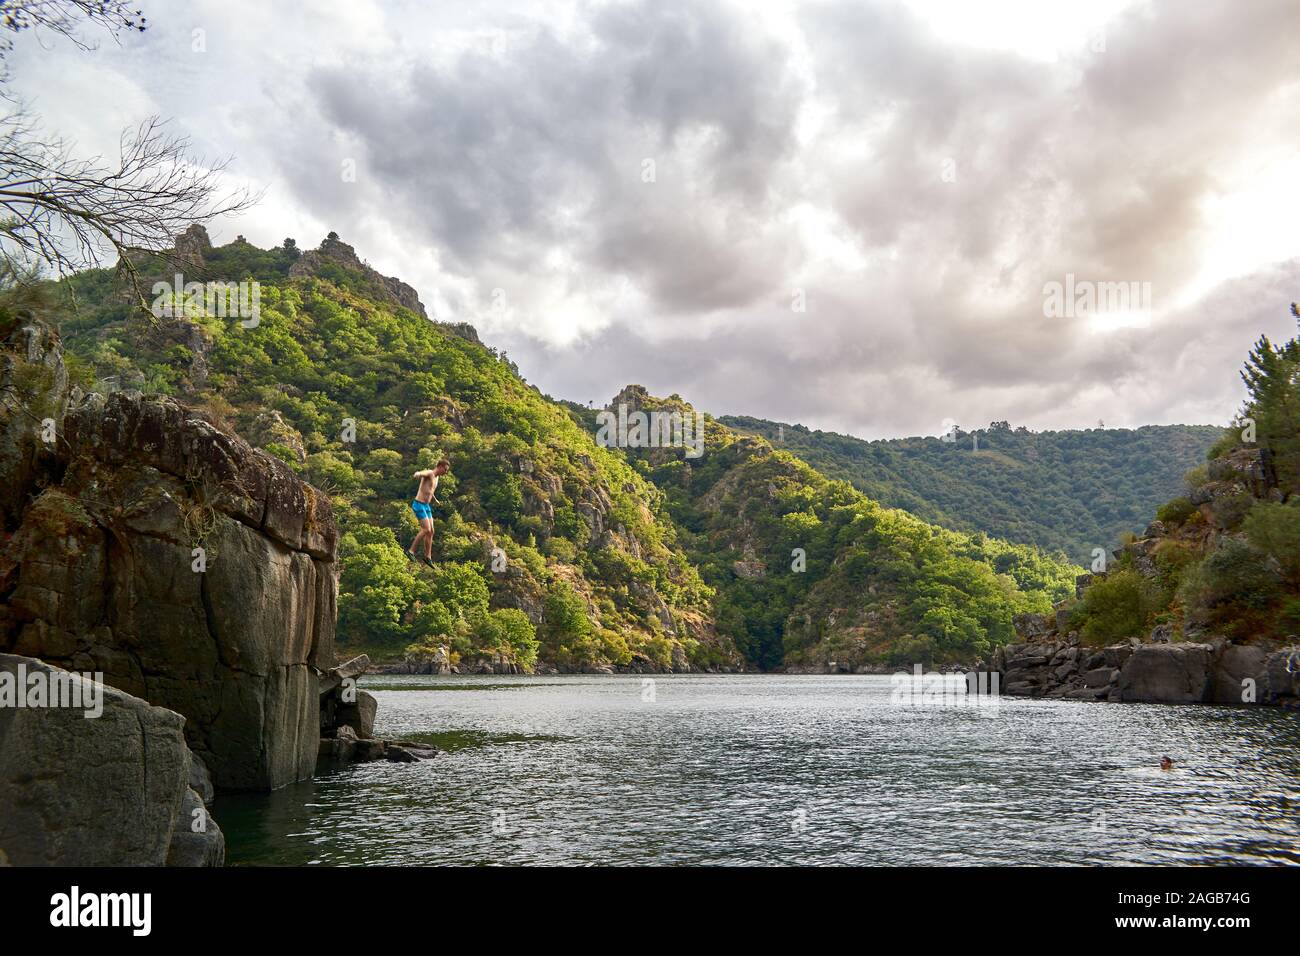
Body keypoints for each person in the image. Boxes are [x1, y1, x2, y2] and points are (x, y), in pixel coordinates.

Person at [408, 458, 450, 566]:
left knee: (431, 531)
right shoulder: (430, 473)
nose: (446, 472)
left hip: (426, 506)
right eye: (445, 470)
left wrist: (435, 500)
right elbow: (422, 473)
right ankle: (411, 551)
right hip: (419, 504)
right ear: (440, 466)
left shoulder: (437, 478)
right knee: (426, 529)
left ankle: (428, 557)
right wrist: (417, 474)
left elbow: (430, 490)